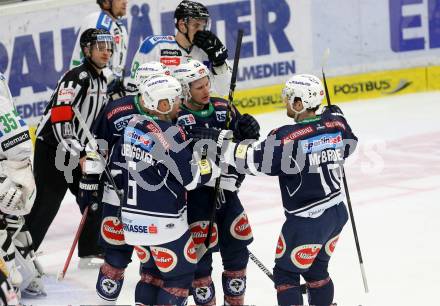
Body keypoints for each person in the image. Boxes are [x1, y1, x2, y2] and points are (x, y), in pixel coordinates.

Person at [189, 74, 358, 305]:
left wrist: (220, 141)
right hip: (337, 213)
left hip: (307, 220)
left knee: (286, 275)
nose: (285, 101)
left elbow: (251, 161)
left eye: (289, 98)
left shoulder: (287, 137)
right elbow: (350, 144)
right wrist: (335, 114)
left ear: (300, 103)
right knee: (316, 271)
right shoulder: (336, 123)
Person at [107, 74, 221, 305]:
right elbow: (191, 179)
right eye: (175, 99)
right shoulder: (171, 132)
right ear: (162, 103)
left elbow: (117, 163)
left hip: (132, 221)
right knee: (180, 276)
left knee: (151, 276)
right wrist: (209, 158)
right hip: (164, 223)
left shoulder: (132, 125)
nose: (180, 103)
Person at [173, 60, 260, 305]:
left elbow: (242, 144)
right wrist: (212, 137)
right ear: (184, 89)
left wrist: (248, 130)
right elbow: (182, 143)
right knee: (200, 259)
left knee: (238, 249)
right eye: (198, 87)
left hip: (228, 193)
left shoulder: (223, 106)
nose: (206, 90)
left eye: (207, 83)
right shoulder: (177, 115)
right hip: (196, 197)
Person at [25, 28, 114, 269]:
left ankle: (90, 247)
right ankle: (23, 255)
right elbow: (60, 117)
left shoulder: (103, 79)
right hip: (54, 149)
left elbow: (97, 119)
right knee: (47, 203)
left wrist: (96, 148)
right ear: (87, 50)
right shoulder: (77, 77)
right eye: (100, 47)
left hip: (79, 151)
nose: (106, 52)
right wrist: (80, 153)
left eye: (109, 47)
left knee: (94, 195)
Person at [91, 61, 171, 302]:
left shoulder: (169, 112)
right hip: (117, 192)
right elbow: (97, 146)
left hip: (153, 196)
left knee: (155, 259)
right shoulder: (117, 110)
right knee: (116, 254)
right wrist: (89, 179)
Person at [128, 0, 231, 96]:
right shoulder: (153, 46)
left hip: (198, 113)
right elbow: (133, 91)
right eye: (196, 25)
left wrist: (219, 64)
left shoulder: (210, 50)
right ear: (182, 25)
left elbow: (224, 91)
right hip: (165, 112)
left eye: (204, 26)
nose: (202, 30)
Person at [0, 73, 40, 298]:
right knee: (13, 225)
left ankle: (13, 286)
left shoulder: (0, 106)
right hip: (11, 172)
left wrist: (14, 181)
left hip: (11, 176)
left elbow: (19, 149)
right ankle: (28, 275)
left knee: (6, 225)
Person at [71, 0, 128, 98]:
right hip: (88, 90)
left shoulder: (119, 26)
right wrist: (111, 82)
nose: (125, 2)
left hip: (104, 89)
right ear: (106, 2)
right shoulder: (99, 22)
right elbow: (91, 60)